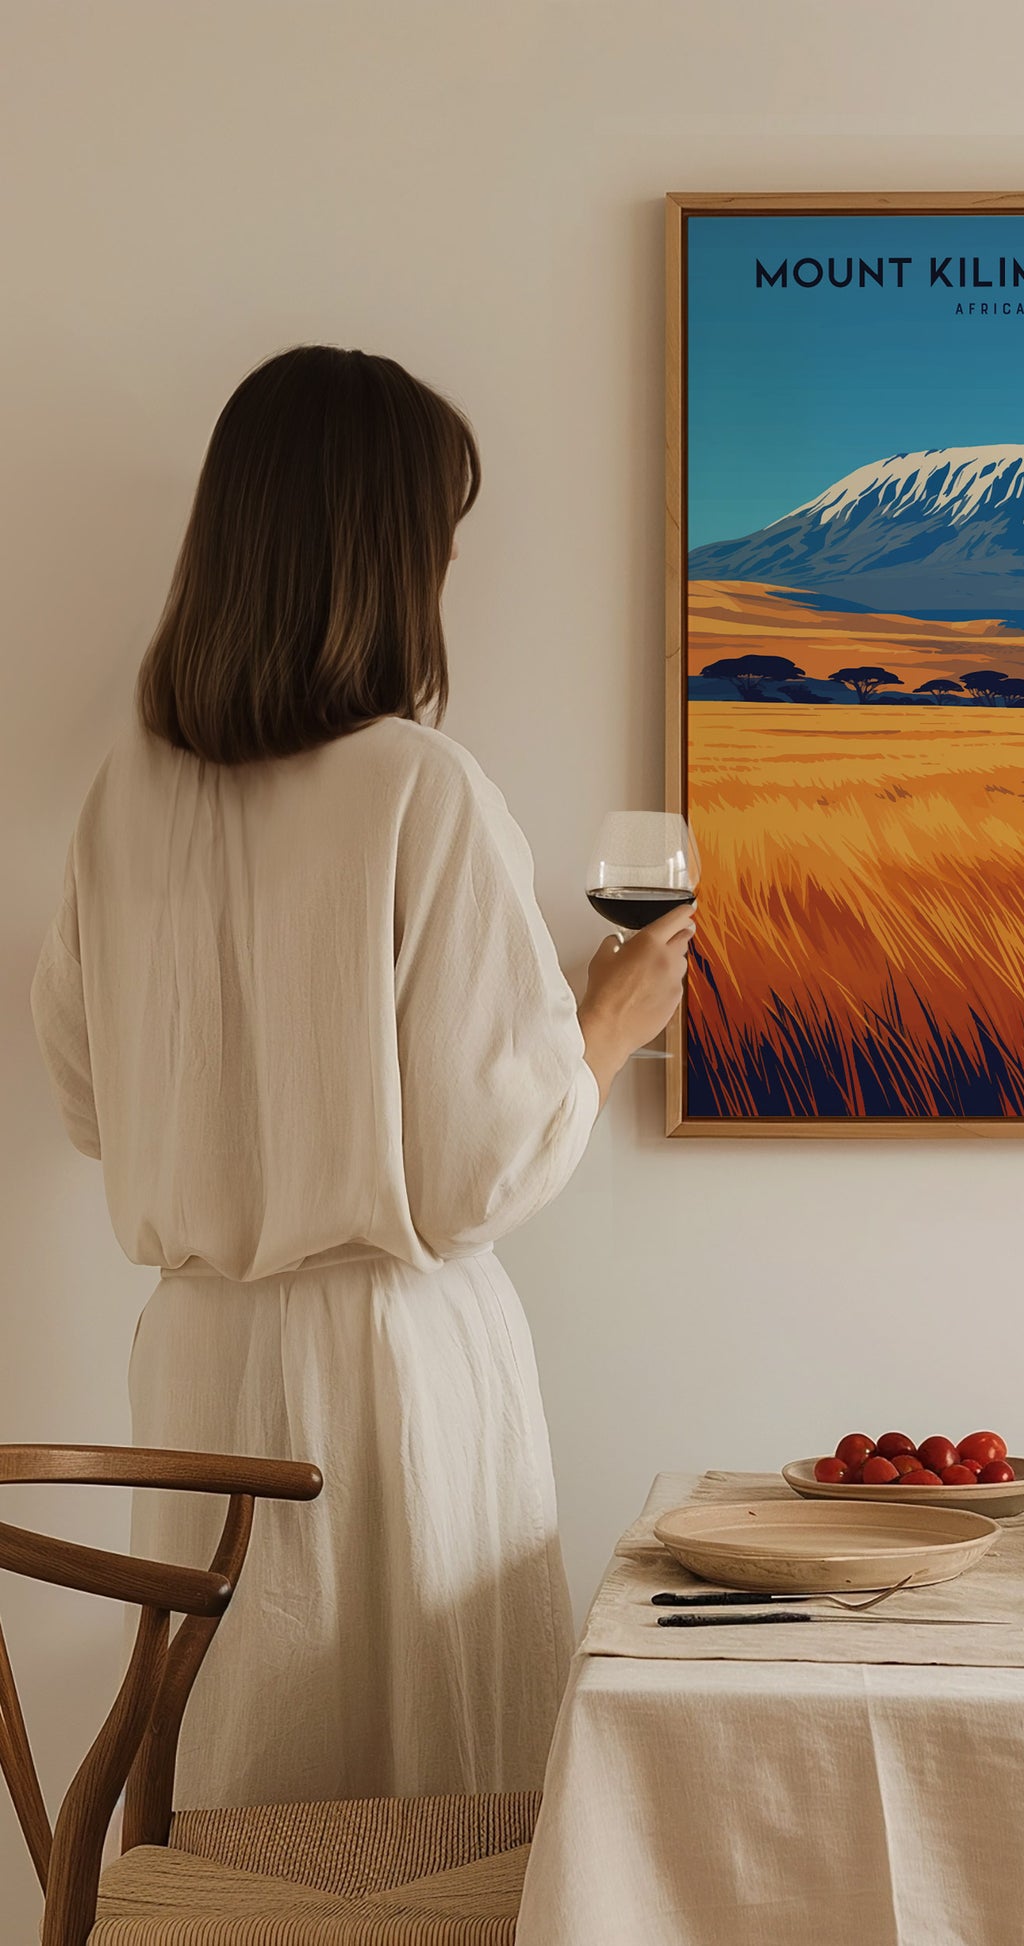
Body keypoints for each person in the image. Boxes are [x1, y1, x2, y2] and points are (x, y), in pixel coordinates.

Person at [29, 345, 690, 1806]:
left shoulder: (122, 797)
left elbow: (87, 1100)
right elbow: (474, 1173)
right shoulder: (418, 786)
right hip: (391, 1374)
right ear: (387, 556)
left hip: (198, 1362)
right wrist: (606, 1020)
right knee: (424, 1812)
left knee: (241, 1793)